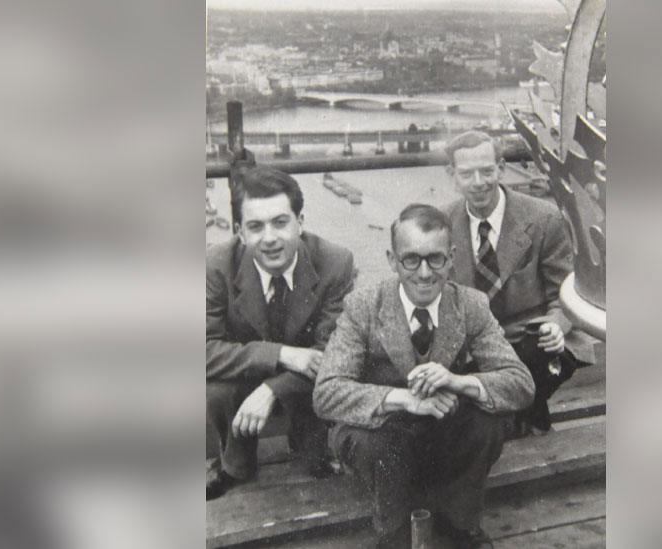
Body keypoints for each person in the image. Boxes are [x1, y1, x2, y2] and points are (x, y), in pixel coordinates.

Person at [313, 204, 534, 549]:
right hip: (386, 436)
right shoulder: (363, 306)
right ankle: (394, 530)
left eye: (436, 259)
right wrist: (403, 399)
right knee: (370, 441)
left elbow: (521, 384)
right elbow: (326, 392)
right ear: (391, 259)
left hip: (442, 432)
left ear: (452, 258)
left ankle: (461, 524)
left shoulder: (471, 305)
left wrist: (457, 381)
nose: (425, 273)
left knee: (486, 423)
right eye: (411, 260)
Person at [206, 167, 355, 500]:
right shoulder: (215, 266)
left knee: (331, 373)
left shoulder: (335, 262)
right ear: (239, 232)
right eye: (255, 226)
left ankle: (314, 453)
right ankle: (234, 465)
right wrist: (281, 354)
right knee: (214, 389)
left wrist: (273, 389)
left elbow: (334, 352)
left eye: (280, 222)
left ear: (300, 222)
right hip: (246, 374)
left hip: (305, 381)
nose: (269, 238)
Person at [442, 130, 597, 434]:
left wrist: (556, 325)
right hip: (478, 342)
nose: (478, 182)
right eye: (467, 173)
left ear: (501, 168)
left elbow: (568, 294)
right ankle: (524, 419)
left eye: (487, 171)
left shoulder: (543, 218)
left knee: (531, 359)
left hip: (533, 338)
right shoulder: (442, 223)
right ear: (452, 175)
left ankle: (514, 418)